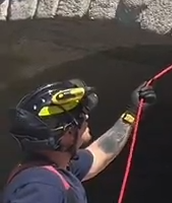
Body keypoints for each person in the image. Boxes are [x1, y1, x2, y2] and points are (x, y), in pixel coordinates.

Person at [3, 79, 157, 203]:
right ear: (68, 134)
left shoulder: (54, 169)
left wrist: (132, 113)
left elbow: (101, 153)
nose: (87, 120)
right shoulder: (44, 186)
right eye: (82, 117)